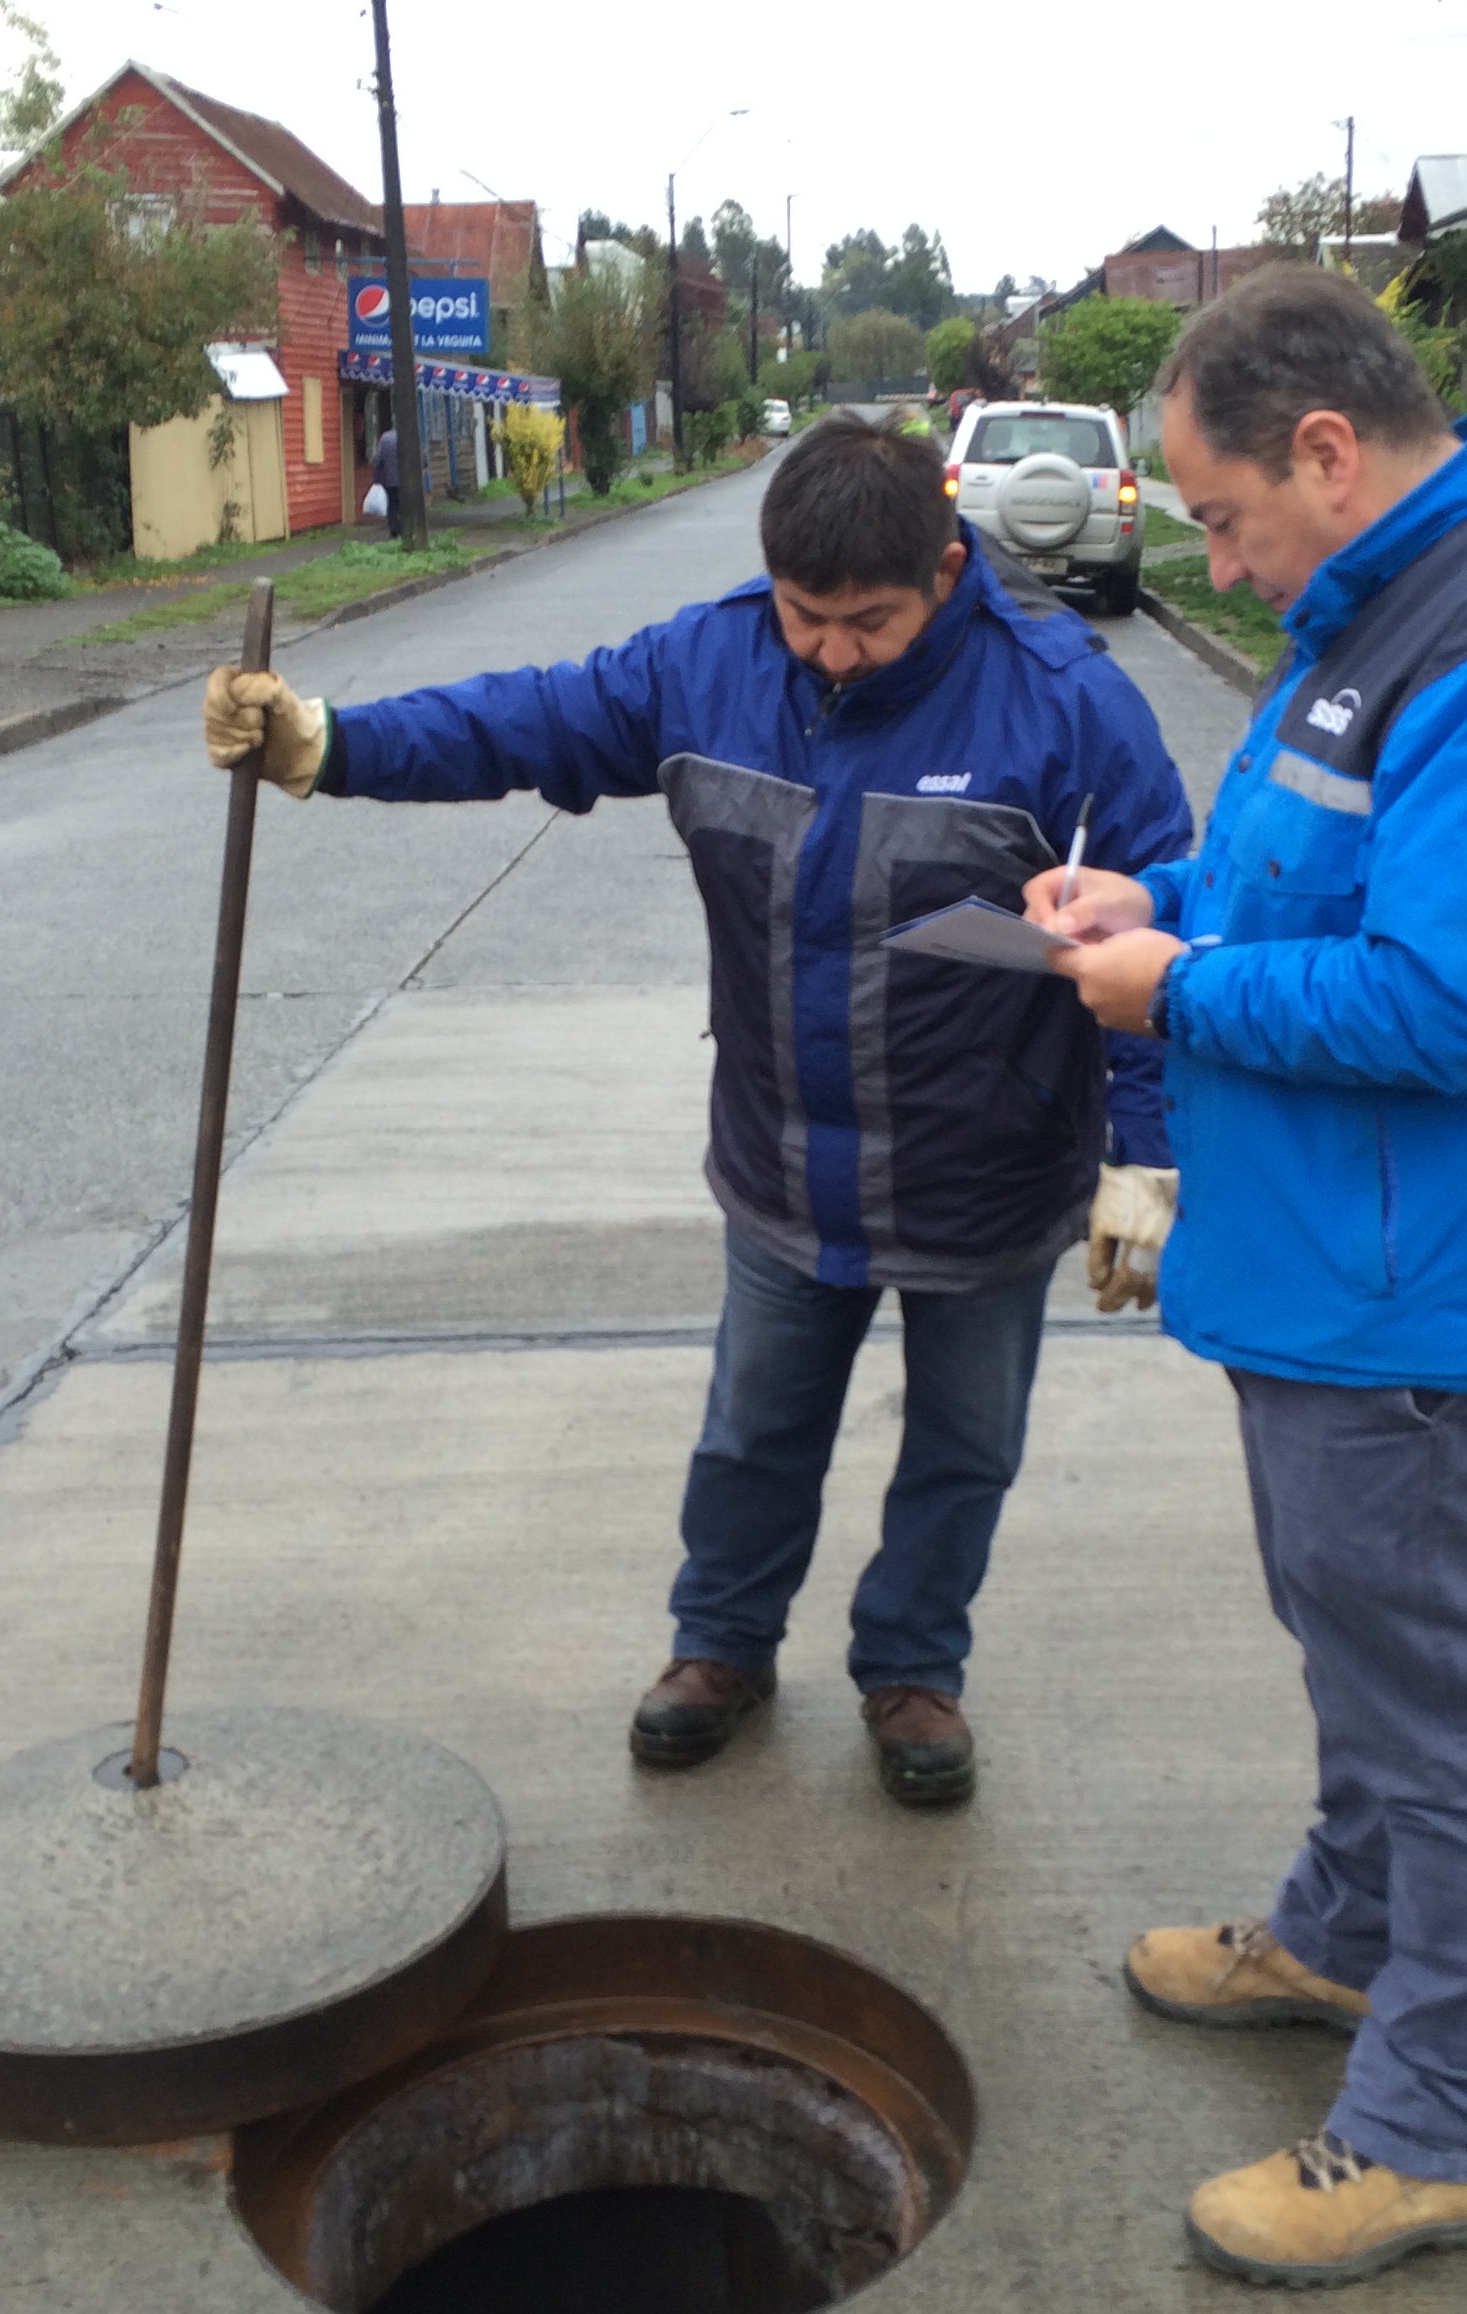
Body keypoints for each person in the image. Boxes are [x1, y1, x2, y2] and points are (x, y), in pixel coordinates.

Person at [1024, 266, 1467, 2288]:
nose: (1213, 559)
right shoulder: (1408, 591)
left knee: (1442, 1705)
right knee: (1360, 1639)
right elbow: (1331, 872)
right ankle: (1344, 1937)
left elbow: (1462, 993)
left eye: (1224, 514)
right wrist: (1150, 898)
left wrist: (1182, 986)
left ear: (1328, 451)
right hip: (1347, 1256)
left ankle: (1435, 2131)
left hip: (1435, 1283)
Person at [201, 417, 1193, 1805]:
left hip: (989, 1171)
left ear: (950, 569)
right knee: (752, 1429)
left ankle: (914, 1664)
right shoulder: (710, 663)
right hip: (785, 1164)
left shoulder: (1067, 703)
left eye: (872, 624)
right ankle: (721, 1640)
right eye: (807, 617)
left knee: (965, 1447)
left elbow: (1170, 924)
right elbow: (522, 719)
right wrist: (331, 744)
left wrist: (1145, 1159)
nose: (832, 651)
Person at [369, 419, 403, 541]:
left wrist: (376, 479)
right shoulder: (407, 437)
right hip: (407, 480)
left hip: (390, 479)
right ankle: (406, 528)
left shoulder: (385, 438)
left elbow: (378, 460)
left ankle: (394, 530)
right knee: (405, 504)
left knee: (392, 504)